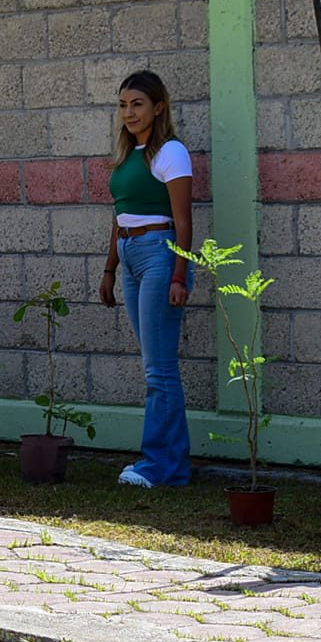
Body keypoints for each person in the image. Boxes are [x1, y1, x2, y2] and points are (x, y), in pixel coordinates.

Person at [97, 70, 196, 488]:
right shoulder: (126, 155)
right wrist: (109, 269)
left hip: (160, 253)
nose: (129, 112)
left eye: (137, 104)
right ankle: (164, 463)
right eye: (123, 105)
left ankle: (163, 468)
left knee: (160, 370)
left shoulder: (171, 152)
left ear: (158, 107)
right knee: (152, 367)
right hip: (131, 255)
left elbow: (185, 222)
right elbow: (120, 218)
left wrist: (179, 275)